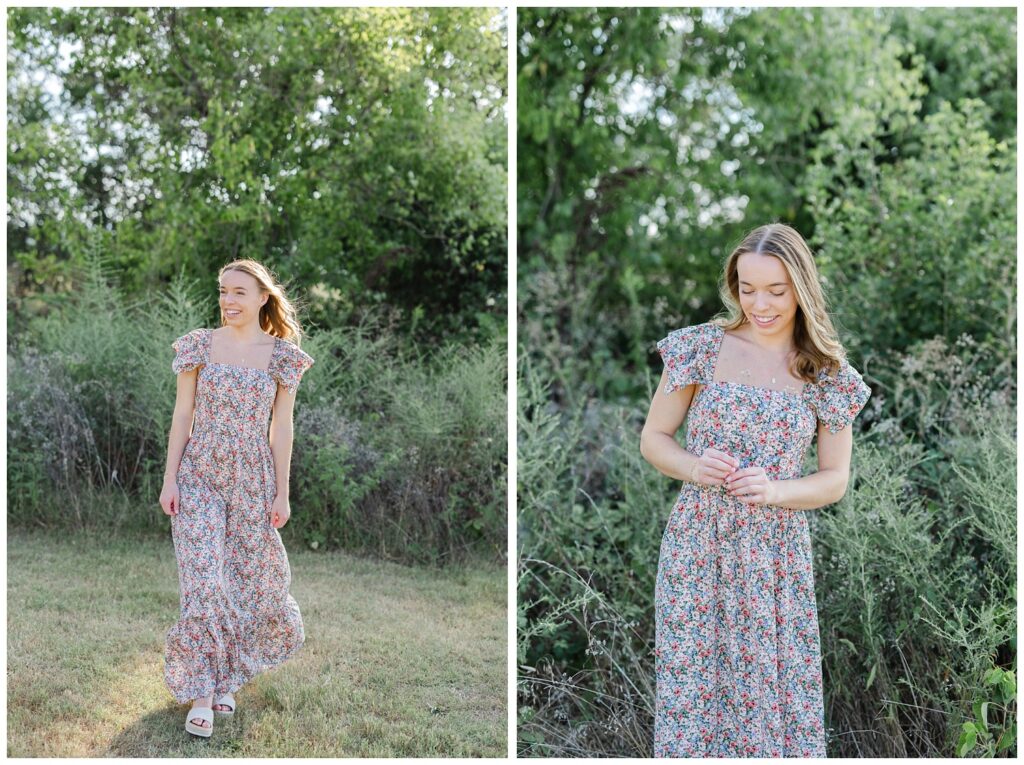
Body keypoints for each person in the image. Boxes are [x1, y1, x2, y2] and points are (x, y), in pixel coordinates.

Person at [639, 223, 871, 757]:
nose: (760, 303)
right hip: (698, 546)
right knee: (693, 691)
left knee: (769, 699)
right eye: (747, 289)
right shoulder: (699, 348)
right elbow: (654, 438)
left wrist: (774, 490)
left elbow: (834, 480)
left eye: (776, 290)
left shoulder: (828, 374)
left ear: (801, 287)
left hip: (774, 556)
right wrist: (695, 467)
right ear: (733, 285)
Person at [158, 259, 315, 737]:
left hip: (252, 480)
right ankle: (202, 692)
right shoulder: (199, 346)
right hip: (199, 473)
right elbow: (182, 415)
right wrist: (170, 480)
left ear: (263, 296)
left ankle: (229, 677)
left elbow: (281, 428)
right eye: (223, 291)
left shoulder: (282, 355)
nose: (228, 300)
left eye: (239, 292)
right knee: (203, 580)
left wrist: (282, 492)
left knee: (248, 583)